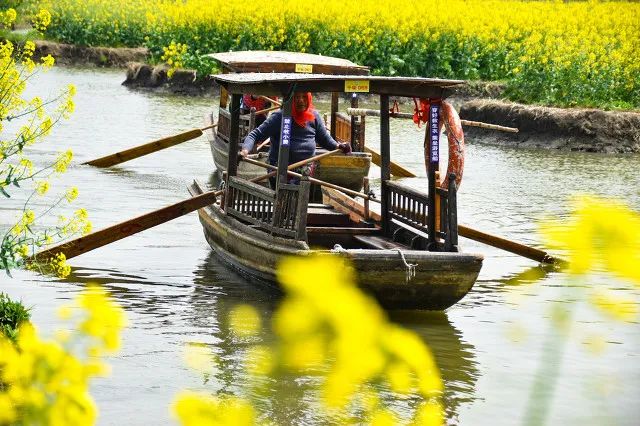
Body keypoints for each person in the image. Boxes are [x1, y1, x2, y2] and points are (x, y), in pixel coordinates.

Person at [240, 92, 351, 186]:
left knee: (299, 197)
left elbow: (325, 139)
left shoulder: (314, 116)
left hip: (304, 170)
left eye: (304, 97)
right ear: (291, 100)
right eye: (297, 97)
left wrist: (338, 146)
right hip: (279, 169)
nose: (301, 101)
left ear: (309, 98)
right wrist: (245, 151)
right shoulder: (279, 117)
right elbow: (255, 135)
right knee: (284, 199)